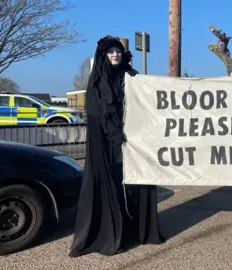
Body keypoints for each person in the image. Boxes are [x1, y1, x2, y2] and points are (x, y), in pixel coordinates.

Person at [69, 35, 166, 257]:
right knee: (111, 186)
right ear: (104, 55)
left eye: (118, 52)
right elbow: (99, 114)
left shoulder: (129, 78)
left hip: (133, 141)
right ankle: (112, 233)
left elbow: (146, 96)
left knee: (139, 183)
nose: (115, 54)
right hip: (108, 145)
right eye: (111, 52)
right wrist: (114, 134)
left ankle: (141, 230)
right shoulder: (96, 85)